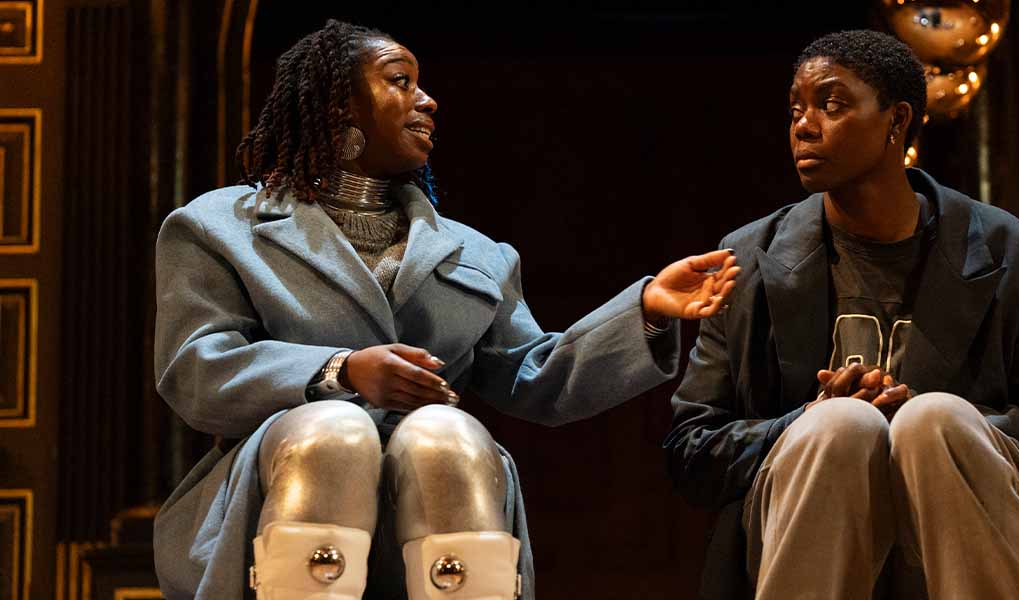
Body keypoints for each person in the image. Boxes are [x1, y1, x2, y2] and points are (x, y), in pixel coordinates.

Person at [152, 19, 739, 600]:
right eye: (400, 82)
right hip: (276, 498)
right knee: (334, 429)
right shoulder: (222, 228)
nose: (428, 101)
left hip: (427, 493)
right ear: (339, 107)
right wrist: (340, 371)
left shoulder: (475, 254)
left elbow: (535, 378)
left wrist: (647, 312)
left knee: (446, 433)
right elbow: (198, 369)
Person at [663, 30, 1019, 600]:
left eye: (832, 105)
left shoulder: (1007, 250)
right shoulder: (747, 259)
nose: (804, 125)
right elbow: (692, 447)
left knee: (934, 421)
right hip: (808, 532)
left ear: (896, 121)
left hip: (964, 530)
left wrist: (943, 432)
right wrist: (796, 424)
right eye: (797, 109)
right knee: (840, 426)